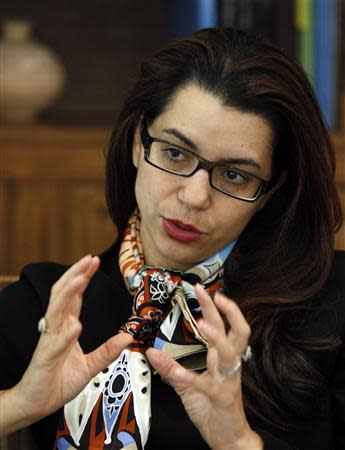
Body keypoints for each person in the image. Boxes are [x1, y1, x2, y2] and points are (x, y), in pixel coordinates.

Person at [0, 27, 344, 450]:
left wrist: (237, 442)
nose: (195, 196)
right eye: (175, 153)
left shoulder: (332, 310)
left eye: (234, 175)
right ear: (136, 144)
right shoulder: (49, 306)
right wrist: (18, 404)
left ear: (268, 193)